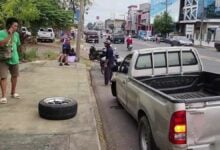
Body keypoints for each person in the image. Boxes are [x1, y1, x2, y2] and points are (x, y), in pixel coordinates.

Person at [0, 17, 21, 104]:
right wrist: (10, 35)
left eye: (17, 26)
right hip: (3, 59)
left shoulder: (17, 35)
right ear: (9, 25)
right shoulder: (1, 33)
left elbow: (18, 45)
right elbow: (1, 44)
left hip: (14, 58)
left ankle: (13, 92)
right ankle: (3, 96)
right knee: (3, 77)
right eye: (15, 26)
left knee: (15, 76)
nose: (16, 28)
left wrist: (19, 55)